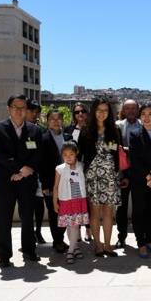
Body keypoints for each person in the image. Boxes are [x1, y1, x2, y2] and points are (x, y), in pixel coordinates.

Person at [0, 94, 44, 268]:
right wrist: (20, 169)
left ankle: (29, 251)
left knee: (28, 217)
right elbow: (1, 155)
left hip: (27, 181)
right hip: (5, 181)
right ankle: (4, 256)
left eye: (23, 107)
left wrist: (23, 173)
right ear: (9, 108)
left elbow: (37, 154)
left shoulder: (35, 130)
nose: (19, 110)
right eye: (15, 107)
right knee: (4, 219)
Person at [78, 97, 123, 257]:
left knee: (109, 212)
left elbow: (118, 153)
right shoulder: (86, 131)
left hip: (110, 175)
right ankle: (98, 245)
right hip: (92, 175)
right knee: (95, 211)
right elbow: (79, 154)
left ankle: (108, 246)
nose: (102, 113)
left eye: (105, 110)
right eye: (99, 110)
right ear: (93, 111)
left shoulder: (115, 130)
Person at [129, 103, 151, 259]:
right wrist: (148, 177)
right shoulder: (135, 134)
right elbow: (134, 160)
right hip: (140, 179)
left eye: (150, 113)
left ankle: (150, 241)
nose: (147, 117)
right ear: (139, 116)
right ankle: (141, 244)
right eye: (143, 114)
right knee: (138, 211)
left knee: (150, 211)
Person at [39, 109, 72, 254]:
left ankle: (61, 238)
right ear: (47, 121)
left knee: (65, 211)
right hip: (52, 182)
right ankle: (57, 241)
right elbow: (42, 163)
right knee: (54, 213)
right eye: (52, 119)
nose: (56, 121)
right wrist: (46, 185)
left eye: (58, 118)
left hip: (68, 181)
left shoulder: (67, 136)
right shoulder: (43, 138)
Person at [52, 141, 89, 264]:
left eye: (71, 154)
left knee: (75, 226)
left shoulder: (81, 166)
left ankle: (72, 249)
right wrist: (55, 202)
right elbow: (56, 187)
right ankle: (72, 250)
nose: (68, 157)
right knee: (70, 226)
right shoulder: (60, 169)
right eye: (65, 154)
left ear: (77, 153)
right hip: (66, 200)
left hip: (79, 200)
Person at [63, 102, 92, 241]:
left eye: (83, 111)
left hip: (89, 168)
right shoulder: (68, 129)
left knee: (88, 200)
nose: (80, 114)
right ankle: (77, 230)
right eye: (77, 112)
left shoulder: (92, 128)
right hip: (73, 170)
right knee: (76, 199)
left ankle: (89, 228)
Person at [115, 99, 140, 248]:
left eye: (133, 108)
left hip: (139, 172)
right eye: (127, 108)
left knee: (139, 207)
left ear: (137, 110)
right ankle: (121, 236)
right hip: (122, 173)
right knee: (121, 207)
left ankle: (140, 237)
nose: (130, 111)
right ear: (123, 111)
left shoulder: (144, 126)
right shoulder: (117, 126)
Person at [26, 99, 46, 244]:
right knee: (26, 205)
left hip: (39, 174)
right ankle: (27, 233)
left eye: (36, 112)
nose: (34, 114)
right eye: (31, 111)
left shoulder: (41, 130)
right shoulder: (20, 129)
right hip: (23, 173)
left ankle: (38, 231)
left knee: (39, 204)